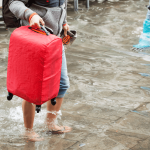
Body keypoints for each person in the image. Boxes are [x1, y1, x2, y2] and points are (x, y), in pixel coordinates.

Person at [9, 0, 71, 141]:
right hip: (34, 41)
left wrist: (64, 22)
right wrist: (31, 15)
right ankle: (28, 130)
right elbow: (13, 3)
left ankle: (50, 123)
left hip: (54, 41)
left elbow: (61, 4)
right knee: (31, 88)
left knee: (62, 84)